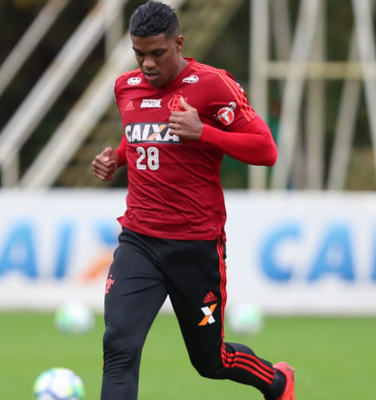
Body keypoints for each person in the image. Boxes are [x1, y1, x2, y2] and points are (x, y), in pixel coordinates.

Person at [91, 2, 294, 399]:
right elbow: (137, 132)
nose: (147, 64)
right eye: (139, 54)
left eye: (157, 53)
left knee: (210, 361)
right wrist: (117, 157)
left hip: (195, 245)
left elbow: (266, 150)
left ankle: (277, 381)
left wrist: (205, 133)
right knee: (119, 346)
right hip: (140, 241)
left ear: (179, 43)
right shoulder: (125, 87)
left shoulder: (213, 85)